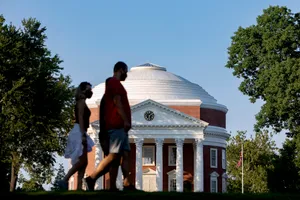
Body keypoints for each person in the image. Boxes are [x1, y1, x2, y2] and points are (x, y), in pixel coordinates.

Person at [83, 61, 135, 191]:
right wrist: (125, 120)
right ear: (120, 70)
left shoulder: (112, 85)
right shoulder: (114, 82)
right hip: (117, 125)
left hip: (120, 127)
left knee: (125, 155)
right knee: (113, 156)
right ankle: (91, 178)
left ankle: (125, 184)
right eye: (126, 71)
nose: (127, 74)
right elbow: (117, 103)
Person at [58, 82, 95, 190]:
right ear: (83, 90)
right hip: (79, 131)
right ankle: (65, 179)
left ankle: (78, 188)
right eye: (88, 89)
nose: (90, 91)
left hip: (81, 130)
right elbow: (80, 117)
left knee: (85, 162)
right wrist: (83, 134)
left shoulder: (82, 102)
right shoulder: (81, 102)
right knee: (82, 161)